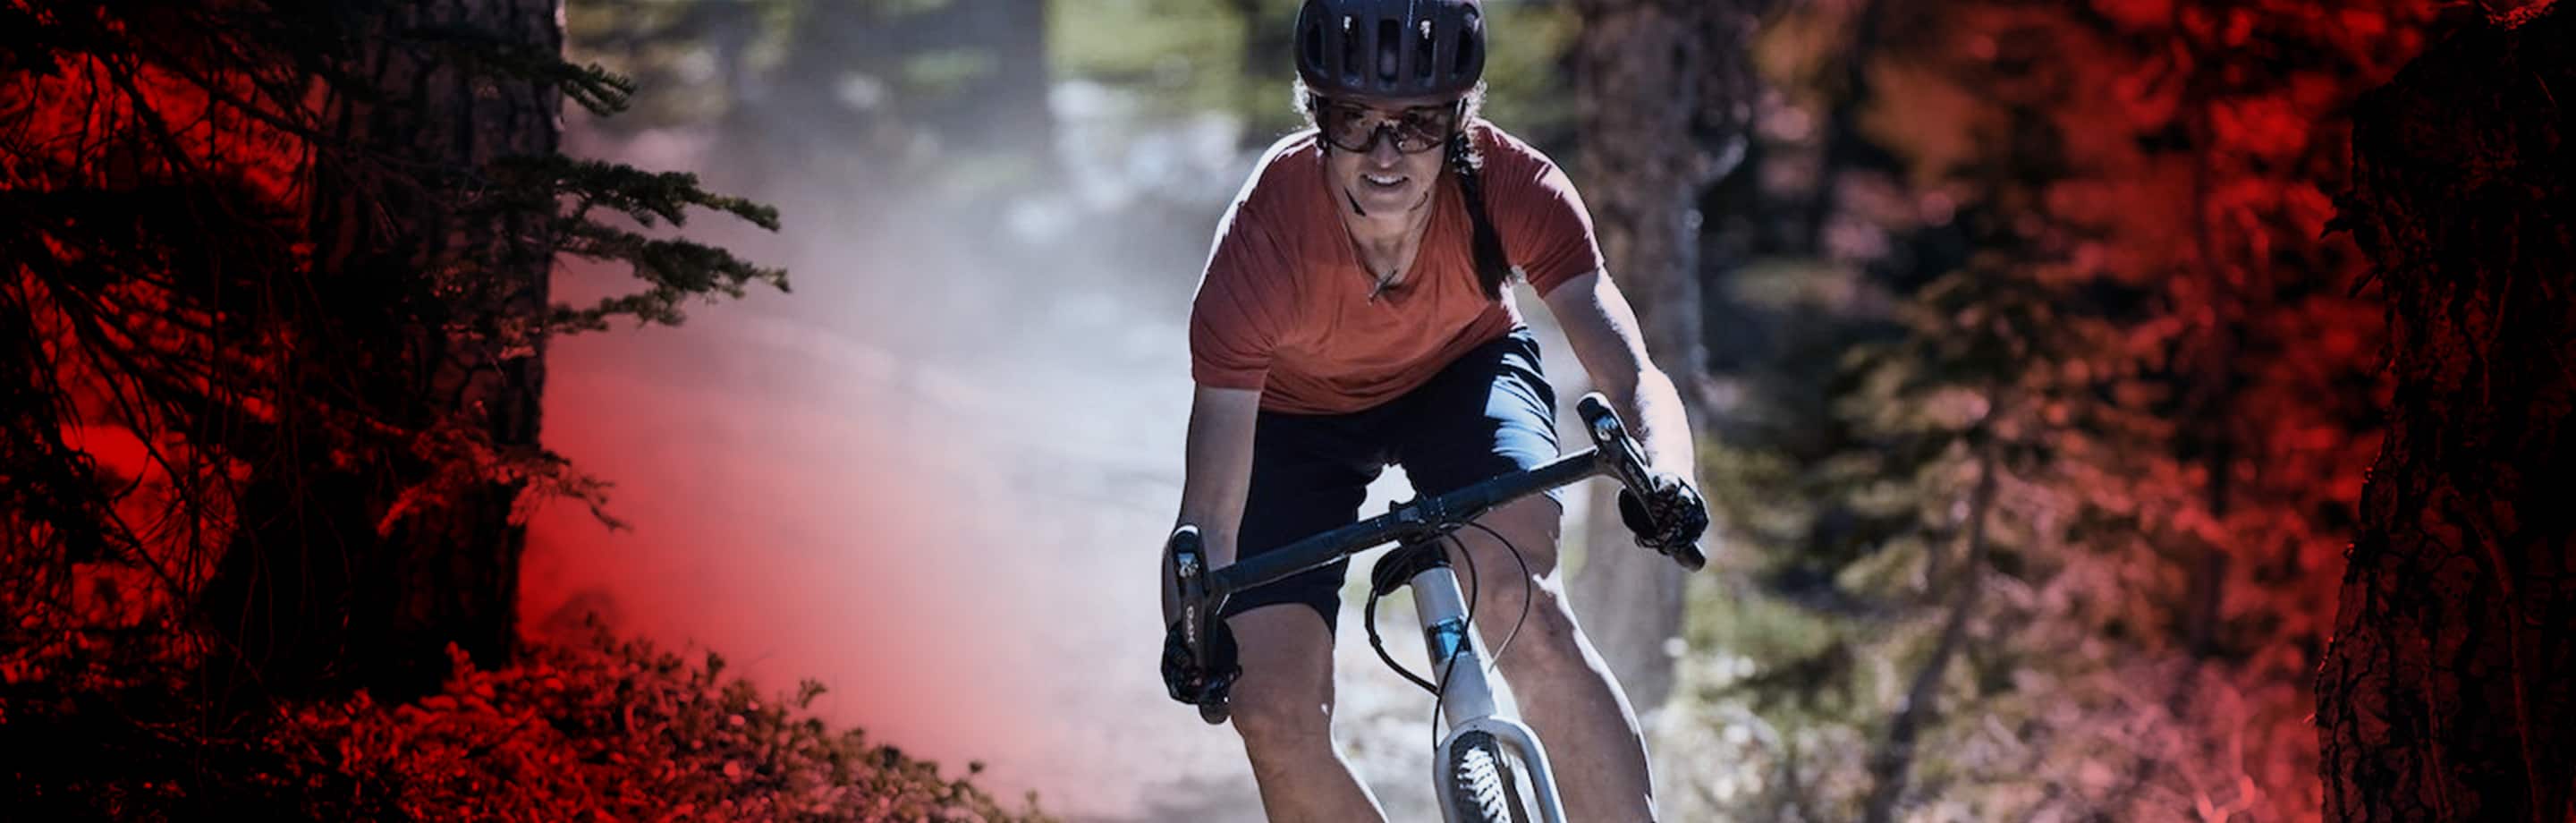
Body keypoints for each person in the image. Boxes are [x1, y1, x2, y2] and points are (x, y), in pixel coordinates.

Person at [1157, 0, 1709, 819]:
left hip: (1466, 372)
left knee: (1519, 596)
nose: (1386, 154)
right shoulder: (1259, 246)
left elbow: (1635, 379)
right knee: (1271, 712)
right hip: (1297, 419)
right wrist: (1191, 630)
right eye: (1356, 121)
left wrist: (1667, 473)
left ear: (1460, 118)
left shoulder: (1516, 185)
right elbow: (1206, 515)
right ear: (1318, 119)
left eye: (1416, 124)